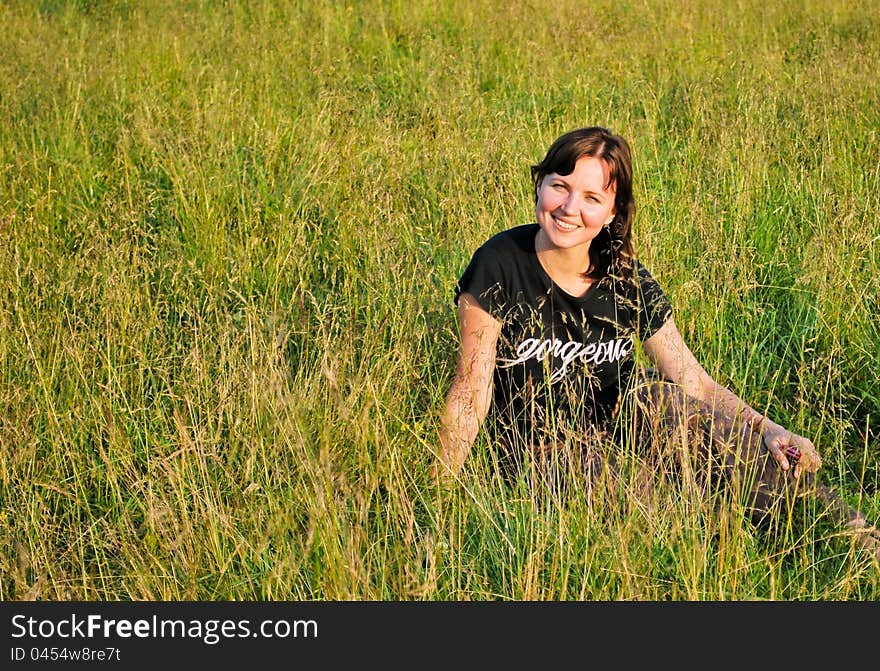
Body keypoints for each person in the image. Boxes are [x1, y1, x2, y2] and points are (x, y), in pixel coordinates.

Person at [433, 126, 879, 560]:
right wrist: (437, 502)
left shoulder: (625, 275)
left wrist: (768, 429)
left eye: (591, 197)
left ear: (612, 211)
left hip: (627, 409)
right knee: (668, 520)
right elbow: (471, 391)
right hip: (544, 443)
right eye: (560, 186)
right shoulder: (499, 263)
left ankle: (853, 534)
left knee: (751, 457)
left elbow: (693, 380)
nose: (569, 207)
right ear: (539, 186)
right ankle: (728, 545)